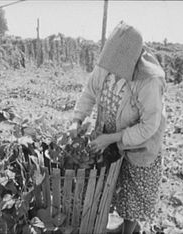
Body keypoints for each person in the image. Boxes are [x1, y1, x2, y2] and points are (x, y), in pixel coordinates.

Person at [71, 22, 166, 234]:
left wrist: (113, 138)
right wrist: (76, 120)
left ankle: (128, 230)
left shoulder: (149, 80)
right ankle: (107, 227)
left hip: (139, 145)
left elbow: (149, 125)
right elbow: (89, 92)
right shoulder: (106, 65)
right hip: (108, 137)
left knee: (133, 196)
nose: (113, 70)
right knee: (105, 187)